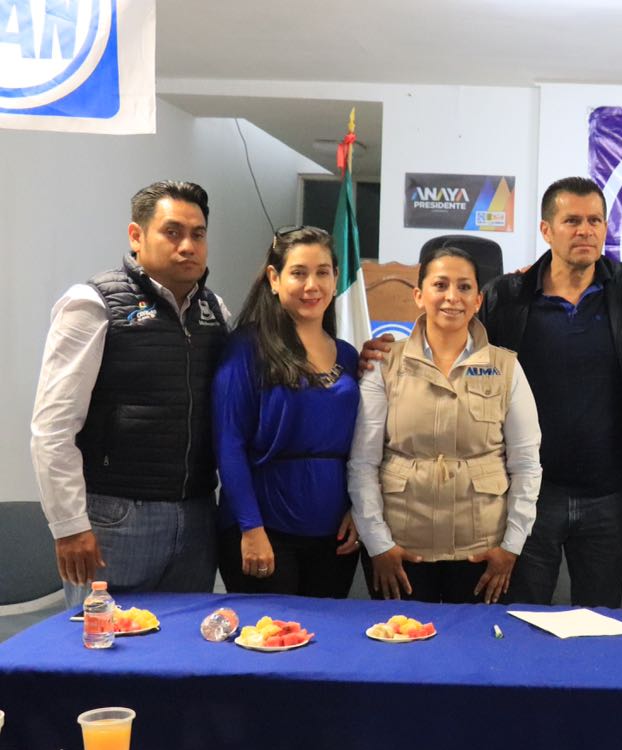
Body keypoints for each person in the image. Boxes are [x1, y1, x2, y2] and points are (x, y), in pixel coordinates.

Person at [31, 181, 230, 608]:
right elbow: (53, 428)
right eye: (172, 232)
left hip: (197, 515)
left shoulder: (215, 311)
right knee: (106, 644)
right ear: (136, 236)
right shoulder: (92, 304)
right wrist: (69, 525)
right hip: (117, 518)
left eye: (197, 234)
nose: (188, 246)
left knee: (183, 644)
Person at [475, 176, 622, 607]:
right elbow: (456, 357)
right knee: (521, 618)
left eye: (595, 221)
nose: (585, 231)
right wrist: (387, 350)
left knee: (600, 622)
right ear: (546, 230)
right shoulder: (507, 296)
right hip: (528, 495)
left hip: (607, 493)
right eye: (572, 220)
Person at [347, 246, 542, 604]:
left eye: (464, 287)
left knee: (474, 640)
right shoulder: (384, 364)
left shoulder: (506, 368)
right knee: (403, 638)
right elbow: (363, 462)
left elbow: (527, 465)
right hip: (401, 548)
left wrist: (511, 546)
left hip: (481, 551)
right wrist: (378, 544)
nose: (452, 296)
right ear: (419, 296)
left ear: (478, 300)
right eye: (440, 285)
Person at [212, 226, 361, 597]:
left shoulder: (348, 356)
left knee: (327, 632)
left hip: (334, 537)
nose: (312, 285)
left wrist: (358, 509)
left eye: (322, 272)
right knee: (271, 633)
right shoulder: (246, 348)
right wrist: (250, 527)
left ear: (336, 278)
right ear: (274, 279)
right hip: (264, 531)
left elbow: (362, 449)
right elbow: (229, 443)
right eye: (298, 273)